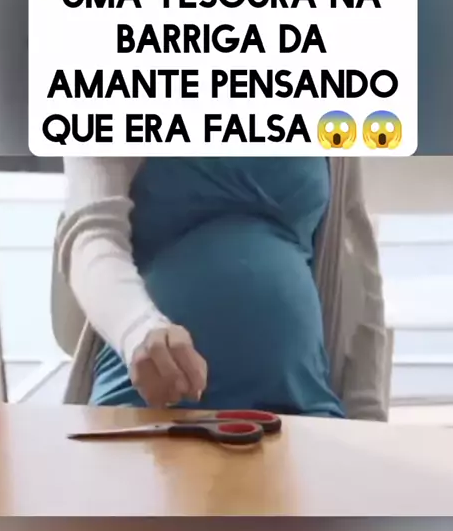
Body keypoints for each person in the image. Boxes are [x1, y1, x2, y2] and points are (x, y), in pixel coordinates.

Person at [55, 157, 389, 419]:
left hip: (305, 408)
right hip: (146, 409)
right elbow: (91, 236)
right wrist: (139, 330)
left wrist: (369, 417)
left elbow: (358, 267)